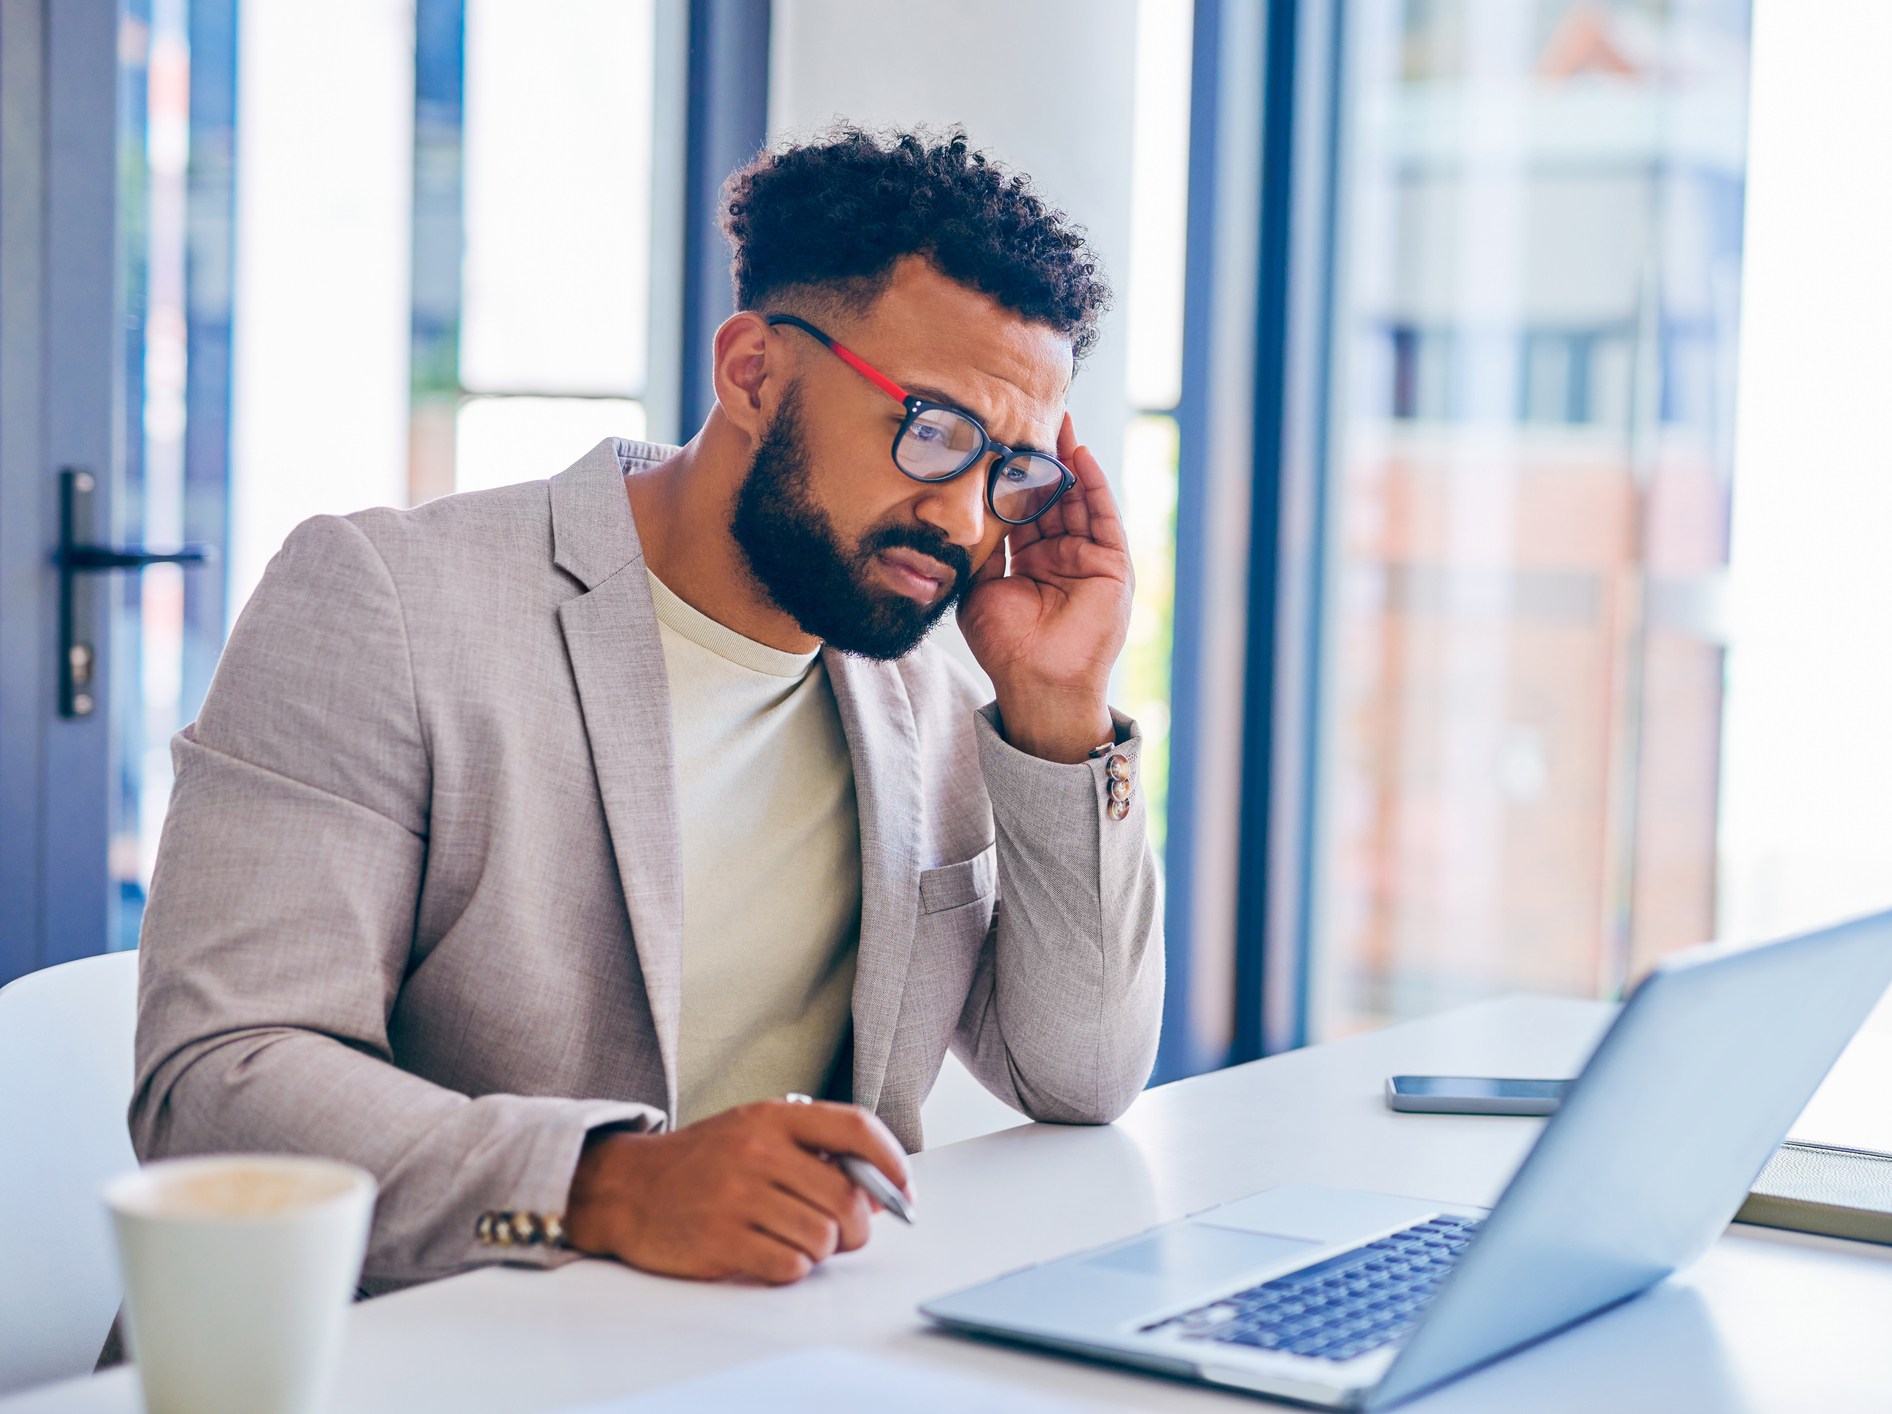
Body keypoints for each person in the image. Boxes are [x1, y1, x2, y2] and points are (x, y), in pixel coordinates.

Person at [131, 127, 1163, 1293]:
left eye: (1011, 470)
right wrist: (607, 1185)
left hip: (758, 1349)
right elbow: (214, 1080)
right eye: (932, 433)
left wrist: (1058, 705)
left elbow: (1079, 1075)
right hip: (396, 1352)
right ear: (751, 373)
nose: (969, 521)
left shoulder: (930, 669)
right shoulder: (389, 605)